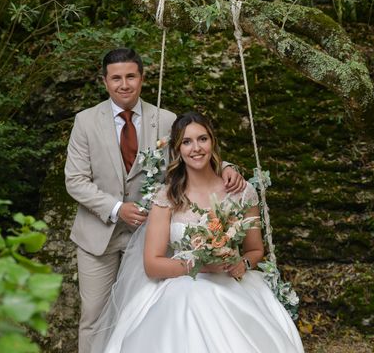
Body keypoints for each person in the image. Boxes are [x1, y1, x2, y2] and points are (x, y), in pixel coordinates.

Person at [64, 49, 246, 353]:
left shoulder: (164, 119)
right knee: (94, 317)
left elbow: (193, 152)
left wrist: (225, 166)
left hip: (152, 236)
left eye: (131, 76)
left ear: (142, 78)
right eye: (116, 78)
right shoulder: (85, 122)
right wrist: (116, 208)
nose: (124, 84)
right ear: (105, 81)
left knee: (147, 312)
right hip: (98, 236)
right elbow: (75, 180)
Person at [91, 112, 304, 352]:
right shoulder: (167, 197)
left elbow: (255, 250)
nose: (196, 148)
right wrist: (201, 266)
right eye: (186, 141)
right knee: (194, 300)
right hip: (183, 284)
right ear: (177, 149)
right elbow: (152, 265)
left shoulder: (241, 192)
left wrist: (243, 263)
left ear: (212, 141)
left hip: (232, 281)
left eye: (202, 139)